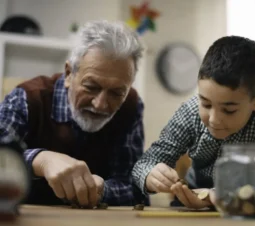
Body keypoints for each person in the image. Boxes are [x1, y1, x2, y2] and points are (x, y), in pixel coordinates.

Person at [0, 20, 146, 208]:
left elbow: (134, 186)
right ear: (69, 74)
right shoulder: (28, 98)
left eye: (117, 93)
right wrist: (41, 160)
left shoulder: (131, 106)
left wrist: (102, 190)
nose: (100, 104)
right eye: (91, 87)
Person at [132, 36, 255, 209]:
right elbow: (145, 164)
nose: (214, 119)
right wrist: (150, 175)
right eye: (206, 104)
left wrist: (220, 195)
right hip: (192, 194)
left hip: (246, 202)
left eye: (229, 110)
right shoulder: (190, 112)